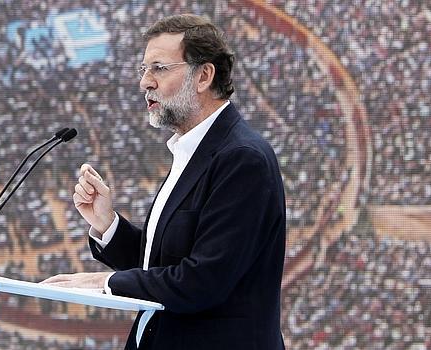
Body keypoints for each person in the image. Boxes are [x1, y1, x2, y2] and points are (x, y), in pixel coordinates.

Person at [41, 14, 286, 349]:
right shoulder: (192, 150)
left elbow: (203, 281)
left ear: (204, 75)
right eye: (144, 69)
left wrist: (105, 282)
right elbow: (163, 266)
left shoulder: (242, 159)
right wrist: (108, 225)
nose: (145, 82)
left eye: (158, 67)